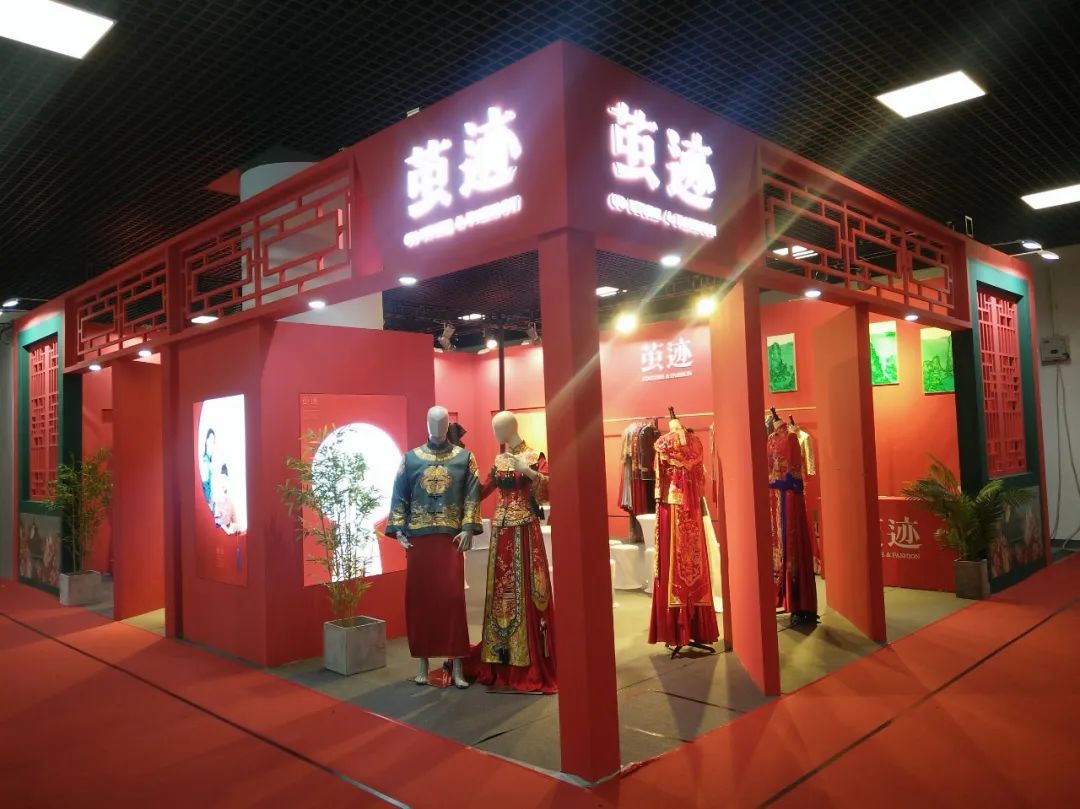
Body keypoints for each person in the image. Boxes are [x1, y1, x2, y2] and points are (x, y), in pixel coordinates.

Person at [200, 428, 216, 511]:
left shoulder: (209, 461)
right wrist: (209, 503)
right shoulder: (205, 461)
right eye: (210, 441)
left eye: (213, 442)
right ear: (206, 442)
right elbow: (205, 485)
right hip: (208, 505)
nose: (212, 445)